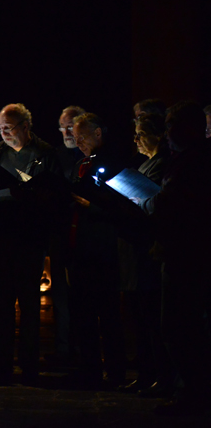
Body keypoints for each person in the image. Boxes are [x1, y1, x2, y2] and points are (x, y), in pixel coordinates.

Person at [0, 103, 61, 384]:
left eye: (9, 128)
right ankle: (0, 362)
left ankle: (29, 363)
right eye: (0, 128)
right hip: (0, 238)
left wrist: (33, 196)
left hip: (29, 238)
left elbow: (57, 197)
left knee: (28, 304)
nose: (3, 133)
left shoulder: (46, 154)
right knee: (1, 305)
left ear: (26, 127)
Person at [149, 102, 211, 416]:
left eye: (172, 125)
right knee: (183, 327)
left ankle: (194, 395)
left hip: (187, 255)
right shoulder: (189, 158)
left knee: (179, 327)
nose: (167, 133)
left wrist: (151, 203)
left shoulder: (194, 161)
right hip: (184, 253)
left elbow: (174, 204)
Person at [67, 112, 129, 388]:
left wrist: (90, 206)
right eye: (75, 137)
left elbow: (121, 207)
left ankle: (115, 371)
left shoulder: (113, 163)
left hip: (103, 250)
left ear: (98, 133)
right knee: (83, 313)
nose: (77, 141)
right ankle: (89, 369)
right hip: (79, 249)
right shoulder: (81, 163)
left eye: (82, 136)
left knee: (108, 314)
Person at [122, 113, 171, 396]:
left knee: (153, 320)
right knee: (141, 318)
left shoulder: (162, 164)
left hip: (149, 250)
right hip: (136, 250)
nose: (136, 139)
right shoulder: (145, 163)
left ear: (158, 135)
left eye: (141, 133)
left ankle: (160, 377)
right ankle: (147, 373)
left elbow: (151, 203)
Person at [46, 104, 86, 365]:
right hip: (60, 235)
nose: (66, 131)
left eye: (71, 126)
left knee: (84, 299)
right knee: (60, 297)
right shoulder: (55, 155)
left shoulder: (89, 156)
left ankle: (84, 353)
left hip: (87, 236)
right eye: (63, 127)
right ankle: (63, 350)